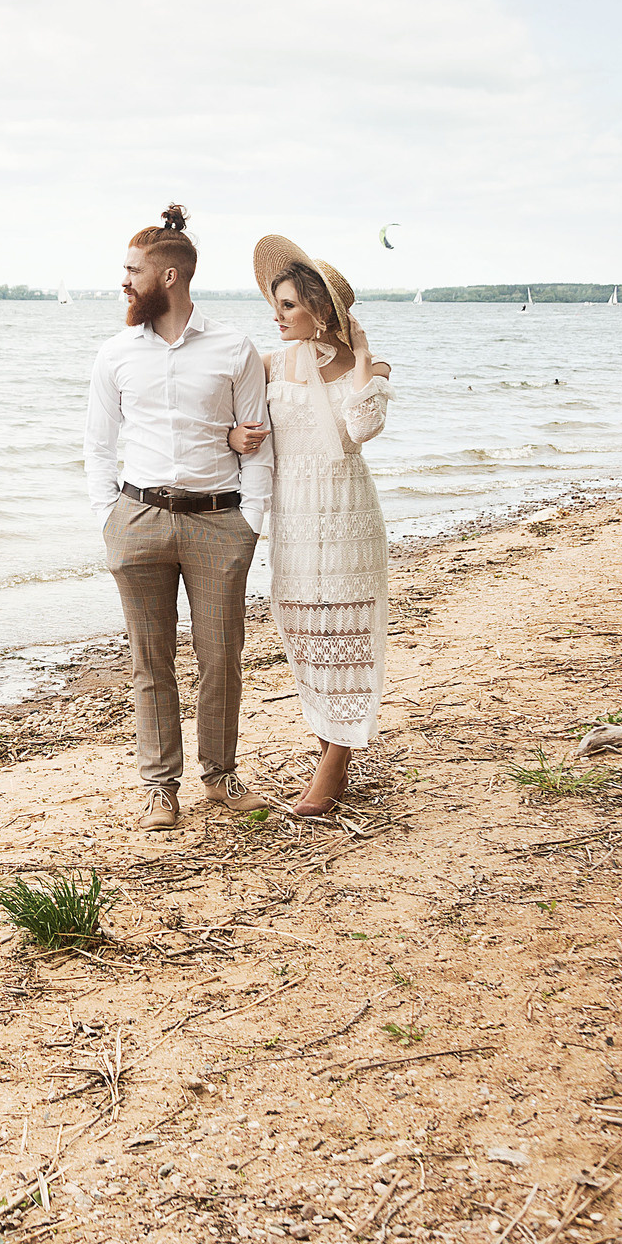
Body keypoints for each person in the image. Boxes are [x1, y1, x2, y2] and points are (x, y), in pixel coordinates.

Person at [84, 205, 275, 830]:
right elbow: (98, 443)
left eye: (133, 270)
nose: (124, 280)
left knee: (221, 656)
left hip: (219, 522)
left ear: (169, 277)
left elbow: (260, 438)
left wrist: (251, 519)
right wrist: (107, 514)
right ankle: (160, 788)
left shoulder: (233, 347)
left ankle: (220, 777)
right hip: (138, 519)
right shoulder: (115, 353)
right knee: (150, 660)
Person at [246, 234, 392, 816]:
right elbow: (228, 415)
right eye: (274, 304)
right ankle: (331, 740)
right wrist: (235, 438)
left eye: (287, 306)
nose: (275, 315)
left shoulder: (371, 369)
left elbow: (362, 427)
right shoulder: (267, 363)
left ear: (321, 310)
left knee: (348, 637)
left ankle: (334, 767)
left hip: (349, 513)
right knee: (306, 631)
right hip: (294, 515)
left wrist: (359, 358)